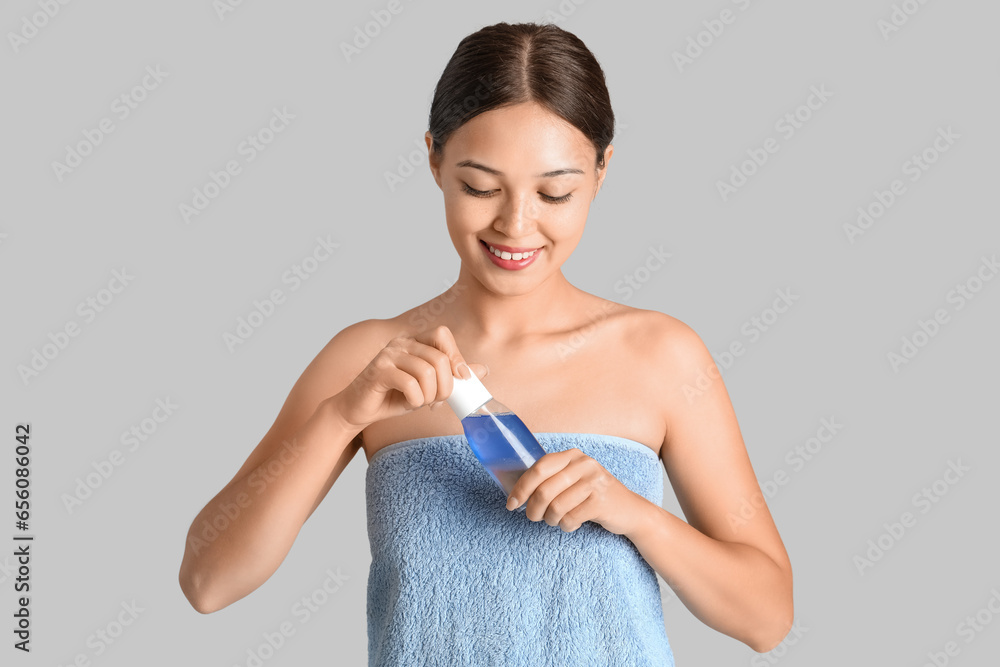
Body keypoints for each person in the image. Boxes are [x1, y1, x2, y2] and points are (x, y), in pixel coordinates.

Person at [179, 21, 793, 665]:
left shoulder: (662, 356)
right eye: (480, 187)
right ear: (434, 158)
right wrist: (339, 418)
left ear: (603, 170)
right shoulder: (368, 362)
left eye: (555, 191)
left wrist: (635, 514)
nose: (516, 224)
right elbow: (208, 582)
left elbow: (768, 618)